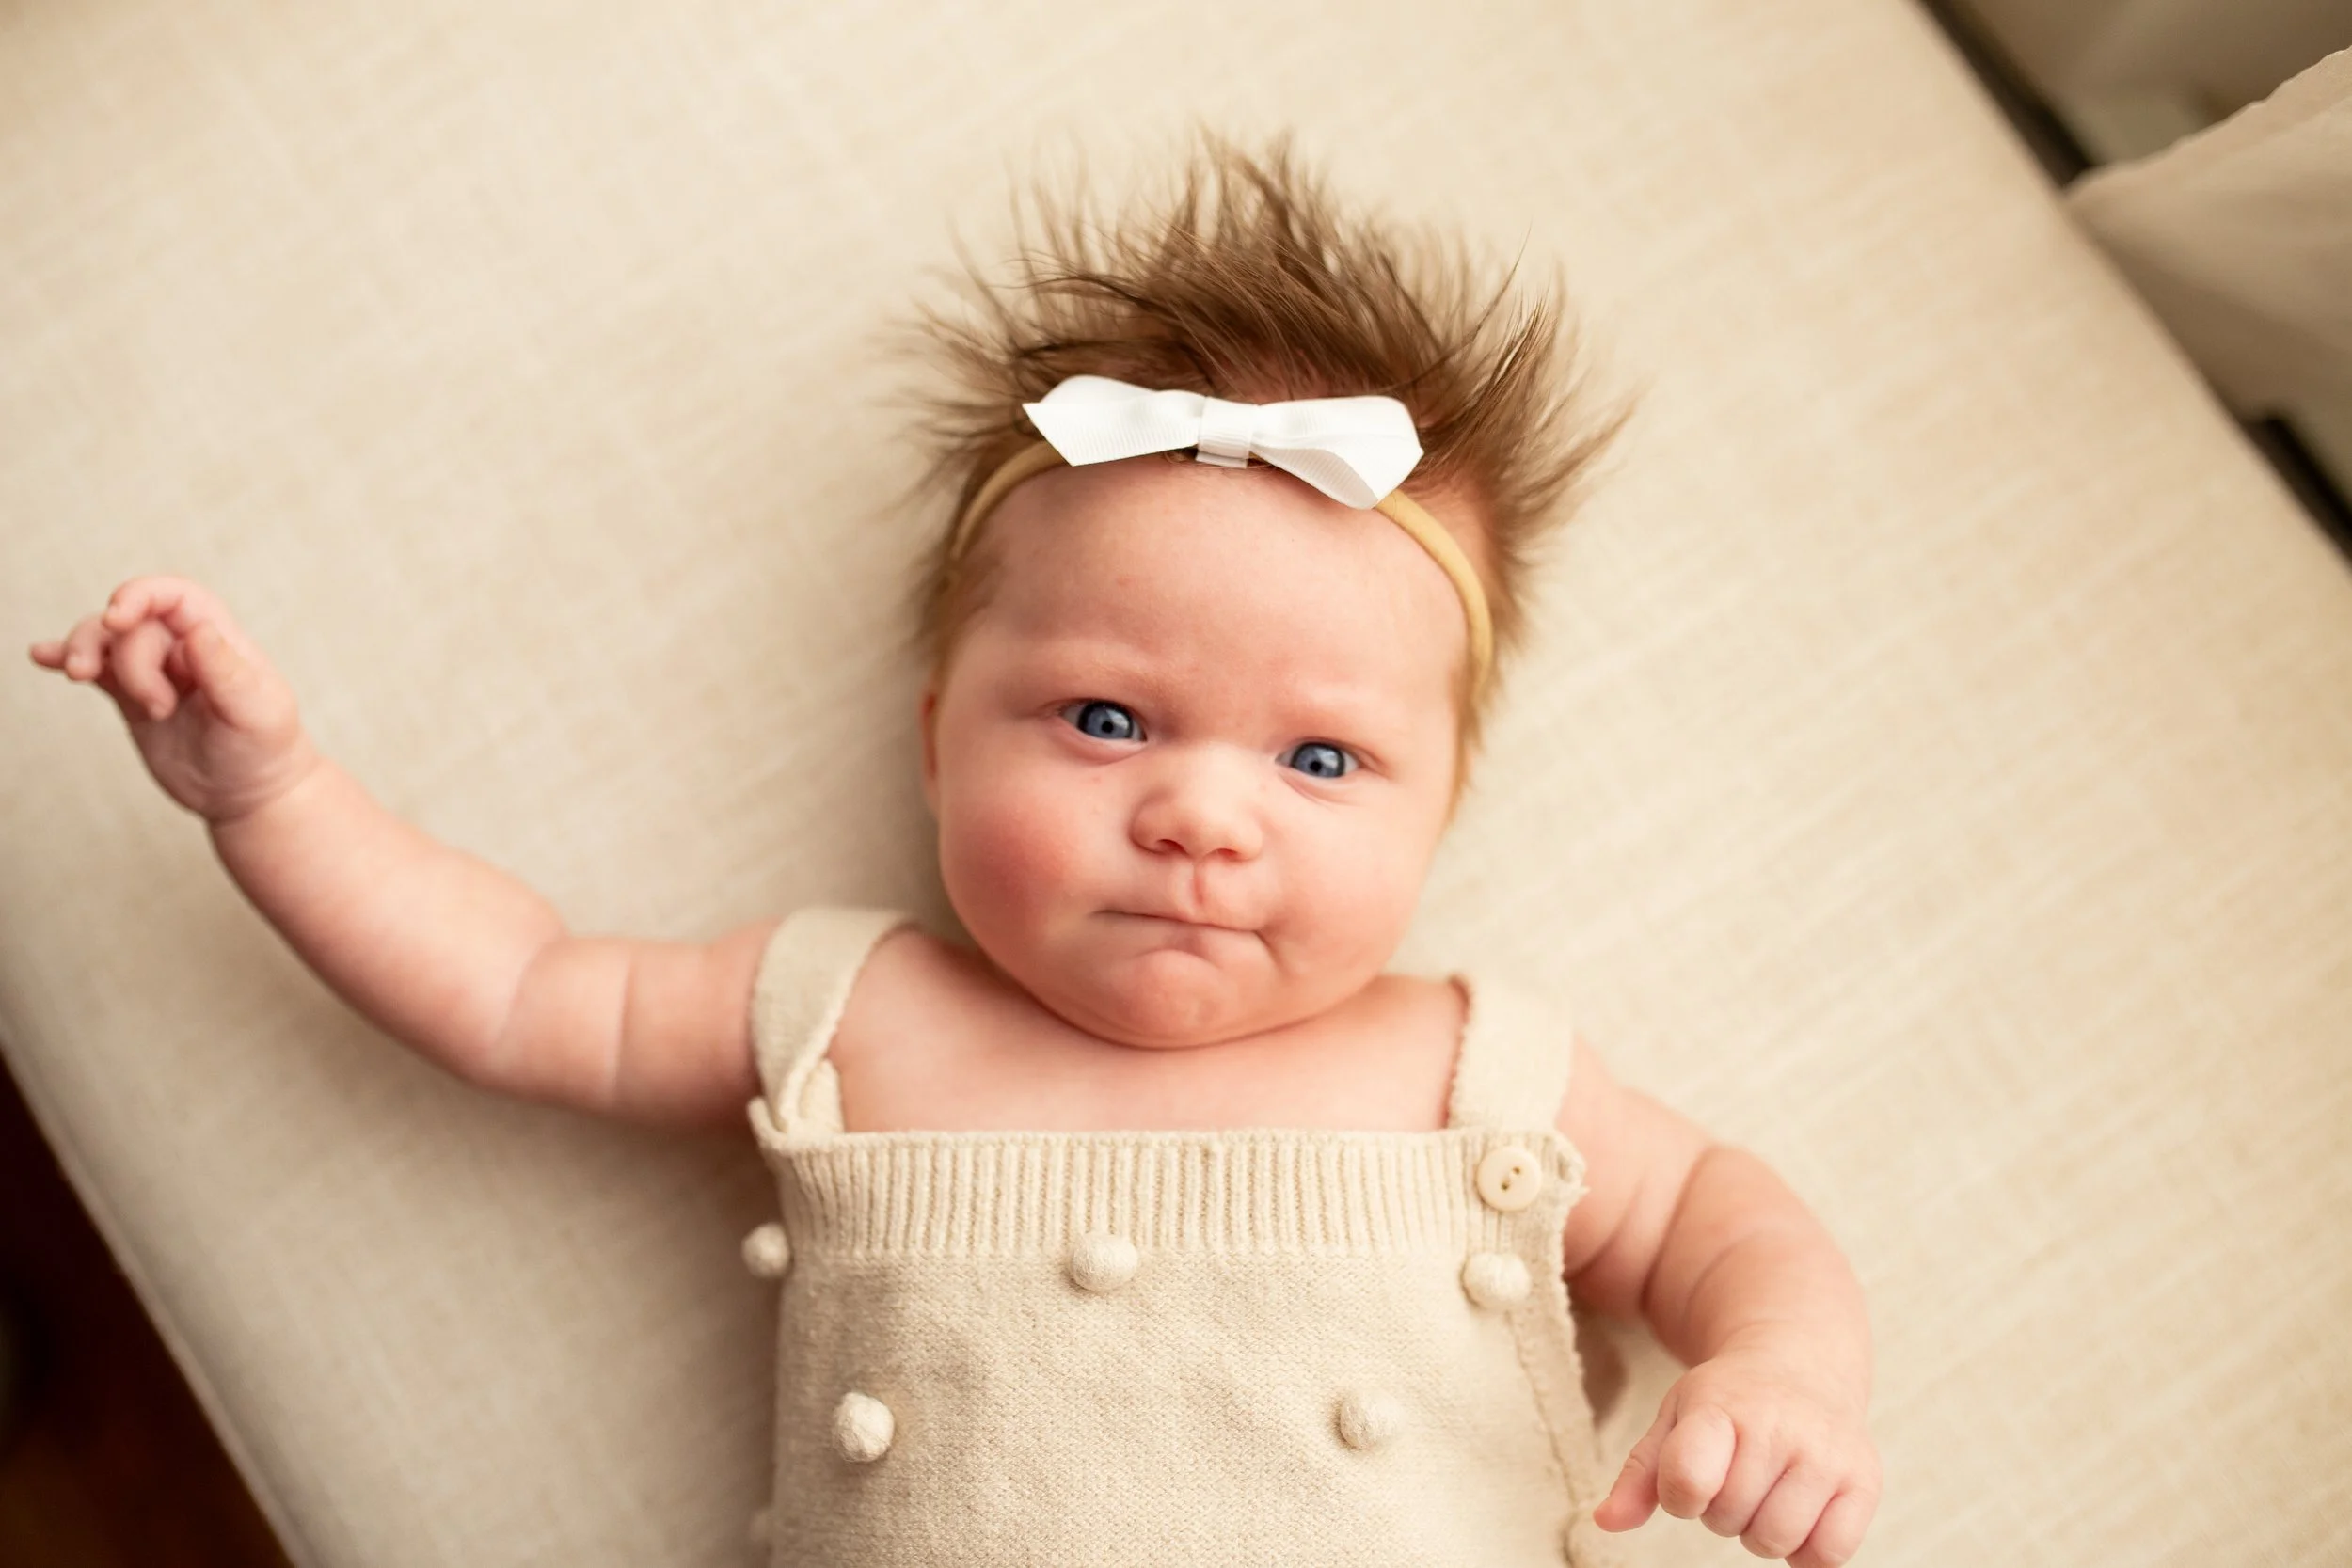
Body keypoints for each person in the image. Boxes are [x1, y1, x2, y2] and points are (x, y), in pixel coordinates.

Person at [27, 132, 1879, 1566]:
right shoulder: (857, 1007)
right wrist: (272, 793)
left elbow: (1723, 1218)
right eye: (1105, 718)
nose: (1199, 811)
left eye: (1319, 756)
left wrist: (1781, 1367)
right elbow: (510, 988)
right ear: (936, 741)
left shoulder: (1472, 1071)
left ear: (1441, 806)